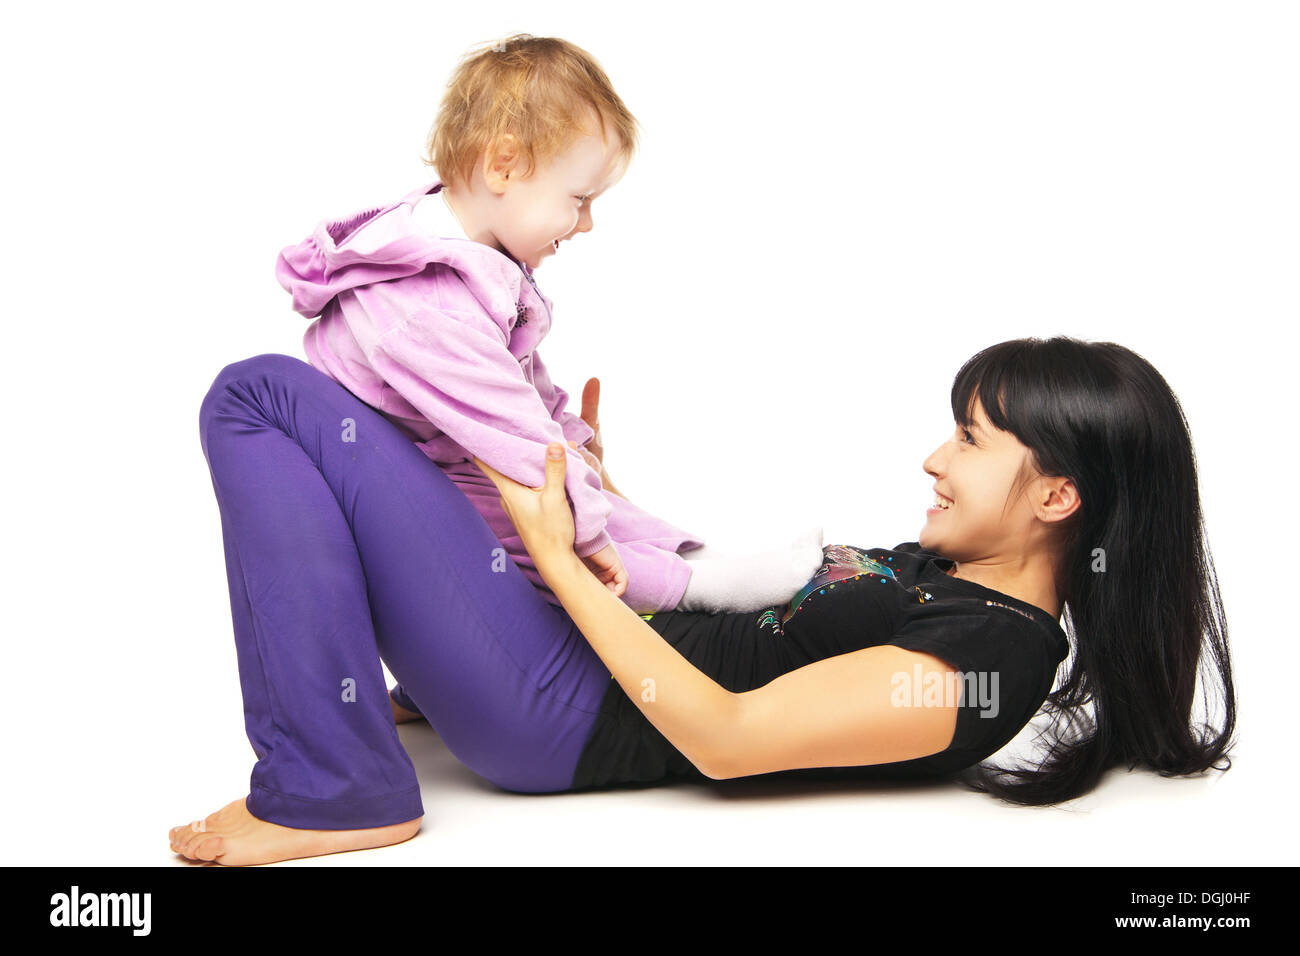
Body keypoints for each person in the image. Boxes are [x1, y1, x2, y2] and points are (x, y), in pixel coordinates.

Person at [172, 336, 1236, 865]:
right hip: (559, 658)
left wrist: (550, 560)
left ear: (1057, 494)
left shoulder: (991, 661)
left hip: (554, 717)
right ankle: (375, 709)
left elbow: (728, 734)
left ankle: (336, 782)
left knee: (261, 397)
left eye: (967, 439)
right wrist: (599, 500)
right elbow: (734, 625)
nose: (931, 458)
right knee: (368, 416)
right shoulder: (941, 573)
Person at [273, 33, 823, 615]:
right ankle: (699, 592)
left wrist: (576, 445)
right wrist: (586, 532)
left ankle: (700, 560)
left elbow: (519, 386)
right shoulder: (423, 303)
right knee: (543, 521)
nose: (586, 223)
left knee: (583, 485)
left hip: (452, 451)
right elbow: (516, 437)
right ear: (504, 165)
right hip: (411, 481)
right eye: (579, 198)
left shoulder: (469, 261)